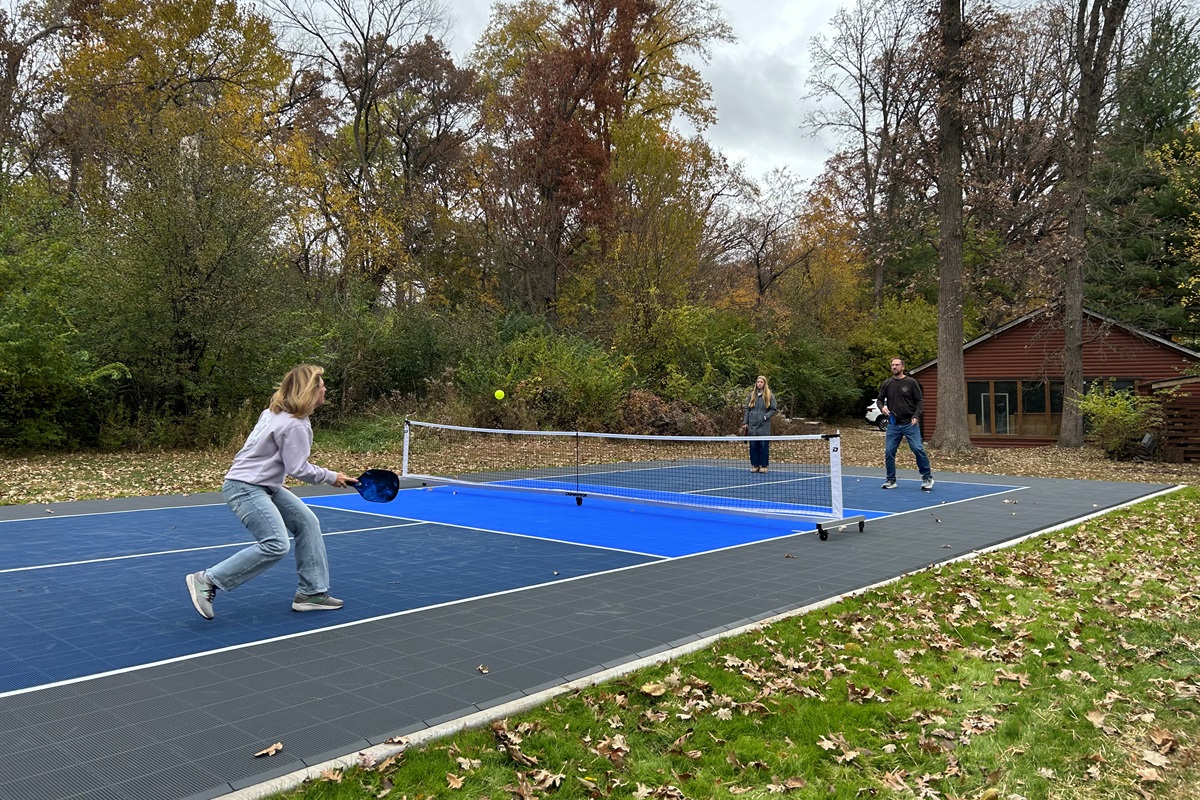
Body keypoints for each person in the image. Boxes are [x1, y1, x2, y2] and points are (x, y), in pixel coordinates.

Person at [185, 364, 357, 620]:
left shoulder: (273, 413)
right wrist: (333, 477)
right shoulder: (296, 425)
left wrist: (271, 477)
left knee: (307, 522)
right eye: (321, 385)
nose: (325, 388)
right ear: (310, 390)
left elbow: (263, 455)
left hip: (263, 485)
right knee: (276, 544)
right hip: (245, 488)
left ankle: (311, 594)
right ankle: (208, 580)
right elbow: (299, 468)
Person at [877, 357, 934, 490]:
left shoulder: (911, 382)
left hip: (910, 423)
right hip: (893, 425)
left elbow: (920, 401)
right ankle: (891, 480)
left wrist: (916, 416)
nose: (894, 367)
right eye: (892, 365)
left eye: (897, 365)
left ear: (903, 367)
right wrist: (882, 407)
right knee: (889, 451)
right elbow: (880, 400)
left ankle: (927, 477)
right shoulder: (887, 383)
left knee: (917, 449)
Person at [740, 375, 777, 473]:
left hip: (764, 426)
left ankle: (764, 465)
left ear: (764, 383)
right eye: (758, 382)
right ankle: (755, 465)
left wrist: (765, 416)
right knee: (753, 446)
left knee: (763, 445)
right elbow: (747, 409)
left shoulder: (769, 395)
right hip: (752, 426)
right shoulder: (752, 395)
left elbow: (773, 408)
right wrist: (745, 422)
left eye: (761, 382)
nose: (759, 383)